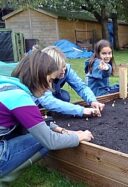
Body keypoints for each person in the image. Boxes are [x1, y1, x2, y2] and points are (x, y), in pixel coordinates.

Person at [0, 50, 94, 185]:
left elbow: (32, 124)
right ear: (38, 75)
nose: (50, 88)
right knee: (45, 141)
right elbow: (50, 141)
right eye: (50, 80)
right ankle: (4, 178)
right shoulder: (19, 97)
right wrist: (79, 137)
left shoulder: (8, 87)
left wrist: (61, 130)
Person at [35, 46, 105, 117]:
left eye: (64, 66)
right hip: (36, 101)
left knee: (65, 97)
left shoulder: (66, 70)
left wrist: (92, 101)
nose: (63, 70)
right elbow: (48, 101)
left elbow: (81, 87)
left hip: (52, 93)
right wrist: (81, 110)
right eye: (59, 68)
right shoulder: (40, 76)